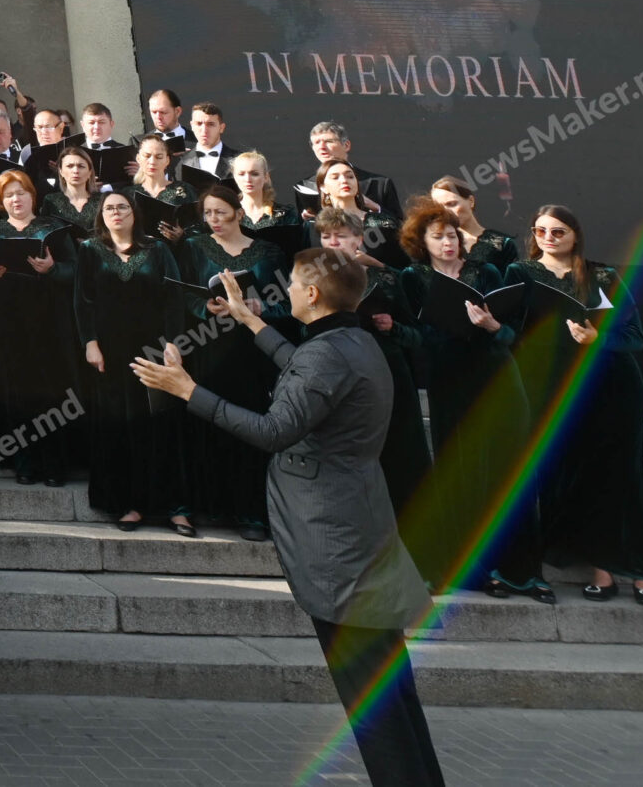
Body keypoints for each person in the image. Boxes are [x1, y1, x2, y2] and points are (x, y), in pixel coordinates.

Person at [133, 248, 445, 787]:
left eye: (295, 285)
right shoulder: (353, 340)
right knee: (391, 689)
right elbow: (301, 366)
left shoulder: (329, 354)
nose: (289, 292)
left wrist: (187, 391)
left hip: (336, 537)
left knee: (371, 695)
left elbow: (276, 430)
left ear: (314, 295)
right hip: (358, 522)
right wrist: (250, 318)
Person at [510, 204, 643, 604]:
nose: (548, 238)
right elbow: (514, 332)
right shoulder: (521, 274)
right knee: (581, 480)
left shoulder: (602, 274)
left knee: (624, 480)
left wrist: (599, 340)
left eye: (558, 231)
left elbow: (635, 335)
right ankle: (602, 570)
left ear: (575, 235)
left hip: (613, 388)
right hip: (554, 391)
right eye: (540, 231)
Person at [399, 200, 547, 599]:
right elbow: (416, 335)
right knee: (460, 471)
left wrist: (492, 325)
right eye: (438, 236)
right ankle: (472, 568)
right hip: (450, 378)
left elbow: (514, 334)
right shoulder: (413, 278)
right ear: (422, 242)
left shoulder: (487, 271)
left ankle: (518, 570)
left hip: (495, 372)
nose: (447, 242)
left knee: (509, 467)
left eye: (451, 234)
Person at [177, 181, 281, 540]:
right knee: (210, 420)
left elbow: (285, 301)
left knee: (251, 423)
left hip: (252, 350)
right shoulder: (194, 247)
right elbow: (182, 294)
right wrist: (204, 307)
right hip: (209, 348)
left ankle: (252, 513)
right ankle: (214, 506)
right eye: (207, 213)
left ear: (239, 213)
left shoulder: (267, 251)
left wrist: (259, 307)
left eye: (221, 212)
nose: (214, 219)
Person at [312, 206, 431, 517]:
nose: (333, 242)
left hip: (387, 372)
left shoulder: (388, 277)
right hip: (337, 374)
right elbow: (298, 327)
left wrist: (393, 327)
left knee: (398, 452)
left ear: (358, 239)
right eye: (326, 236)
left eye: (340, 236)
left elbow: (416, 335)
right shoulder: (311, 276)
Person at [75, 188, 178, 531]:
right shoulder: (90, 250)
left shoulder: (157, 250)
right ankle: (126, 504)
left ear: (134, 213)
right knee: (117, 426)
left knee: (154, 426)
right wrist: (90, 343)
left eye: (122, 207)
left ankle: (162, 503)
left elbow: (172, 298)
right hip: (109, 353)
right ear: (101, 215)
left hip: (152, 350)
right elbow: (82, 301)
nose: (116, 212)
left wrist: (172, 344)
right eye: (109, 208)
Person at [0, 167, 76, 485]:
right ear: (1, 201)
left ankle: (54, 463)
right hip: (8, 318)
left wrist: (52, 268)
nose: (15, 199)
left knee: (51, 392)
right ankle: (25, 462)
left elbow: (75, 270)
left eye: (21, 193)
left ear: (32, 195)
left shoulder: (53, 226)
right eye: (8, 195)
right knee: (15, 393)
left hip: (47, 317)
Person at [299, 121, 403, 223]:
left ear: (346, 145)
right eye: (316, 142)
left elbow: (401, 228)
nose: (321, 147)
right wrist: (308, 222)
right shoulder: (305, 186)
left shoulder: (380, 184)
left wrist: (376, 208)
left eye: (328, 141)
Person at [430, 175, 520, 273]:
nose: (446, 212)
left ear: (471, 201)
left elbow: (513, 284)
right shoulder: (433, 244)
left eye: (451, 204)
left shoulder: (503, 243)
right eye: (440, 207)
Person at [40, 142, 104, 233]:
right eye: (70, 166)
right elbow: (45, 232)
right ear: (61, 171)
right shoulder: (51, 200)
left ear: (90, 172)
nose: (75, 171)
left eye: (81, 166)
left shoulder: (102, 200)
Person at [176, 101, 241, 185]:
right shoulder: (179, 162)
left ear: (221, 128)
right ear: (192, 126)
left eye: (210, 124)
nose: (204, 130)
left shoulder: (239, 160)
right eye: (199, 124)